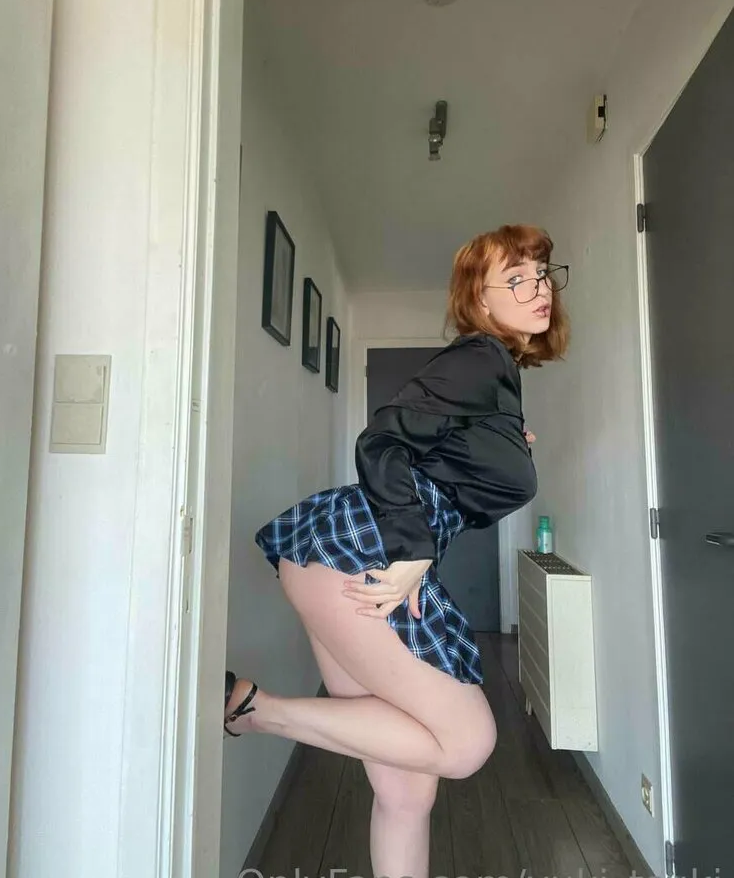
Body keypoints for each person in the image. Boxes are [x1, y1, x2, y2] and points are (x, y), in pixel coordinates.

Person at [224, 223, 569, 878]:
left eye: (542, 274)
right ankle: (251, 708)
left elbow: (441, 461)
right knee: (466, 743)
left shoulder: (496, 378)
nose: (538, 288)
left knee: (406, 793)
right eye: (516, 278)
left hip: (340, 551)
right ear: (480, 299)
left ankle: (251, 708)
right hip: (364, 550)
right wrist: (413, 552)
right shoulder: (481, 357)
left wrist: (501, 445)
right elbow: (382, 439)